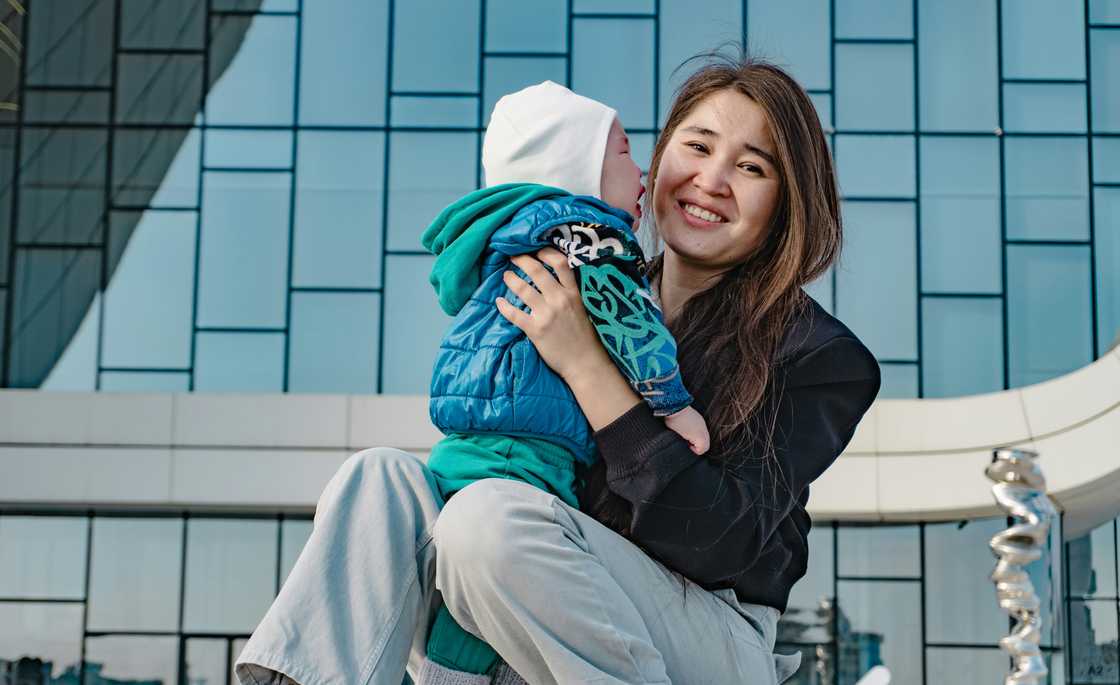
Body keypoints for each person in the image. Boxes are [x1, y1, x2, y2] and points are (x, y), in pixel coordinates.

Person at [235, 53, 881, 685]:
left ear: (785, 202)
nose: (712, 180)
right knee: (380, 477)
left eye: (751, 166)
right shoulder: (587, 277)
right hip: (563, 595)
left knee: (483, 522)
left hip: (709, 632)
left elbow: (718, 541)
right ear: (656, 164)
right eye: (698, 146)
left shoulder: (819, 355)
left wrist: (584, 365)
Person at [418, 80, 711, 684]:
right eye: (625, 153)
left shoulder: (511, 229)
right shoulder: (589, 236)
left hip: (469, 434)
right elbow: (627, 321)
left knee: (459, 577)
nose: (643, 172)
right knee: (483, 591)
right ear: (574, 166)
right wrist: (673, 404)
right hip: (526, 442)